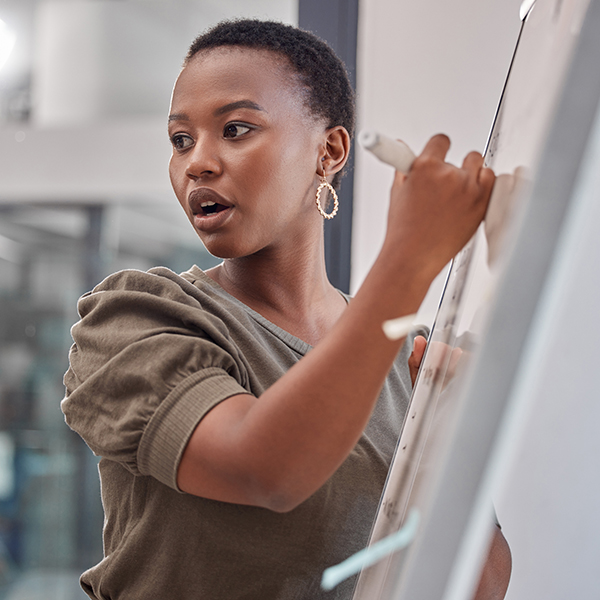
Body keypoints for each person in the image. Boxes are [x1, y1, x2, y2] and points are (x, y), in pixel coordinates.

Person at [61, 19, 510, 600]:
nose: (197, 161)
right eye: (180, 140)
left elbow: (482, 587)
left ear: (329, 151)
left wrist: (454, 431)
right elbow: (265, 469)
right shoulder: (132, 319)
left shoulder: (411, 361)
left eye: (236, 129)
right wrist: (409, 258)